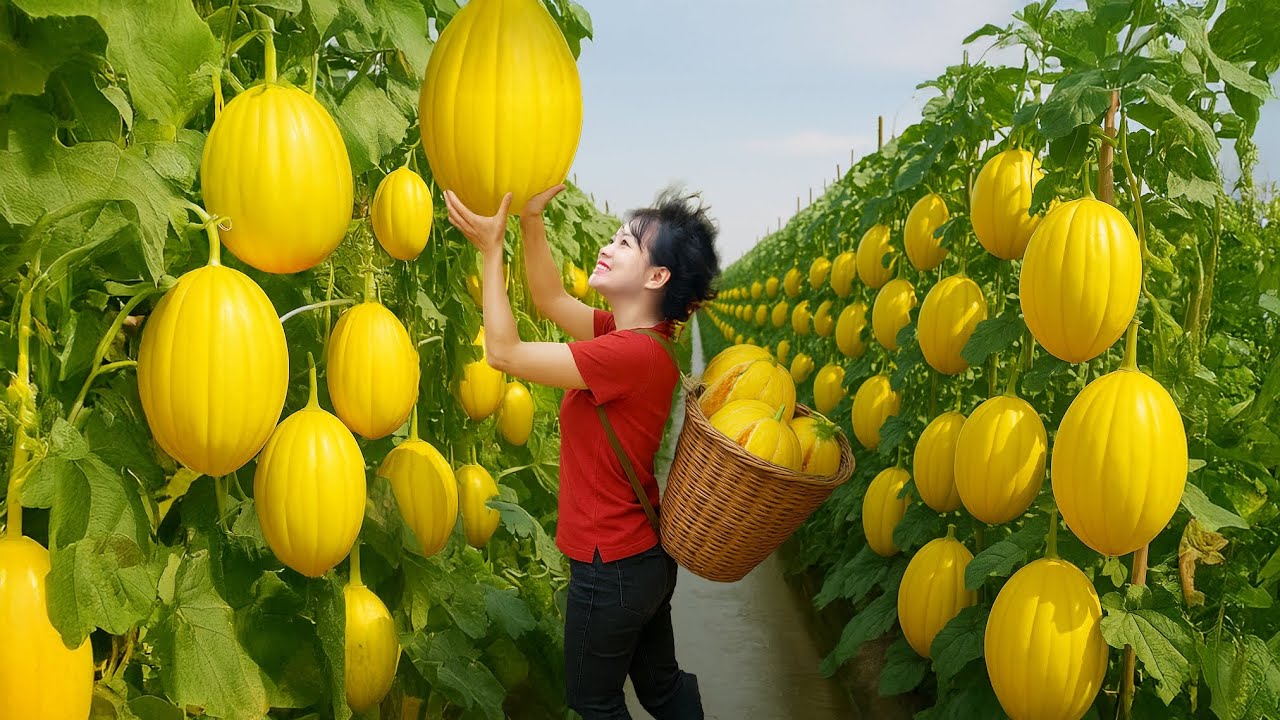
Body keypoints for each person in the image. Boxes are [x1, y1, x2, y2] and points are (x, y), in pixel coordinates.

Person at [444, 183, 720, 720]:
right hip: (643, 559)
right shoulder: (637, 337)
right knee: (661, 689)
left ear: (656, 276)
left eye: (627, 243)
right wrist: (530, 219)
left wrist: (491, 250)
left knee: (593, 703)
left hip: (610, 567)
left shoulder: (628, 353)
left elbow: (501, 352)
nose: (609, 245)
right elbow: (549, 299)